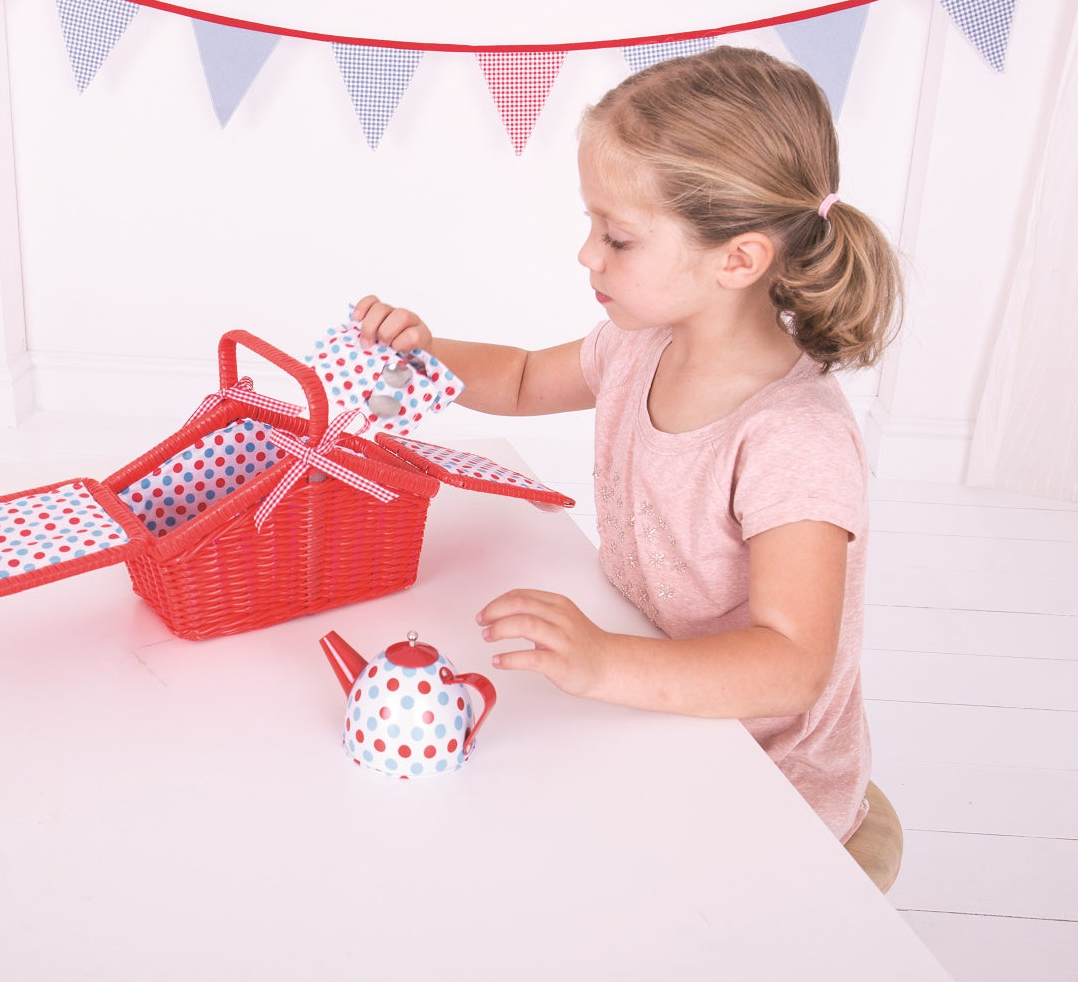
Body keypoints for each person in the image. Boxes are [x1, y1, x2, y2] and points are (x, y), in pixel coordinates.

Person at [352, 45, 902, 842]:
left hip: (765, 789)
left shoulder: (793, 439)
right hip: (653, 702)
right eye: (592, 226)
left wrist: (604, 661)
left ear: (739, 259)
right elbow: (521, 380)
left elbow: (792, 665)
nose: (588, 254)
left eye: (617, 237)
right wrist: (423, 351)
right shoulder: (640, 343)